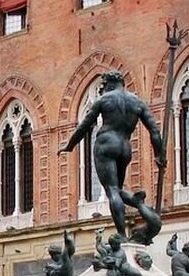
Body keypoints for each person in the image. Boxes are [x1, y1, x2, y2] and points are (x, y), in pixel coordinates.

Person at [58, 69, 166, 240]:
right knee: (117, 190)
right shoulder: (137, 102)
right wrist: (159, 154)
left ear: (108, 84)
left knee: (112, 191)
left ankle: (122, 235)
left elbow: (84, 126)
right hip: (125, 147)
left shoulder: (104, 98)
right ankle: (136, 202)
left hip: (106, 144)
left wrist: (69, 145)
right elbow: (154, 130)